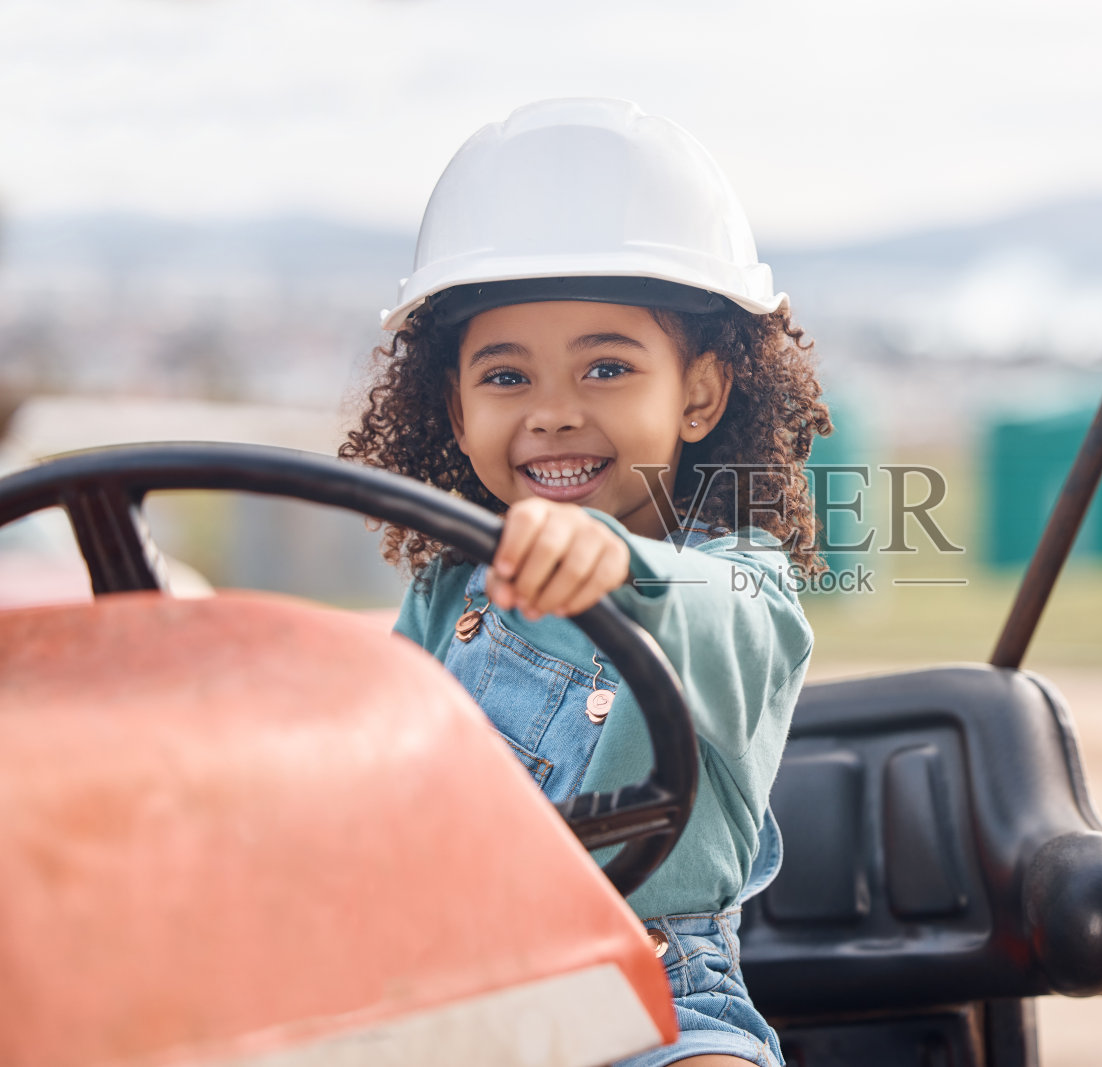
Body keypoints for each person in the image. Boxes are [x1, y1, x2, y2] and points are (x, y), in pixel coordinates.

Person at [341, 98, 829, 1067]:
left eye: (606, 367)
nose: (554, 412)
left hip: (654, 993)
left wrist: (619, 564)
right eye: (506, 377)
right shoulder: (446, 597)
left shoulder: (738, 582)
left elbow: (722, 620)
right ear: (456, 409)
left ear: (698, 394)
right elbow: (373, 776)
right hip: (445, 992)